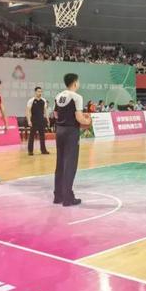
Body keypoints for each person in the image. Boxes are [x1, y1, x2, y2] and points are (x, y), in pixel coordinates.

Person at [53, 73, 92, 206]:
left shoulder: (58, 96)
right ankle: (68, 198)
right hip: (71, 132)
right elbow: (79, 118)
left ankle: (58, 196)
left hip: (59, 130)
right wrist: (88, 121)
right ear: (75, 83)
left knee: (60, 163)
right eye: (78, 81)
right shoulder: (77, 97)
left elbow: (56, 114)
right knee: (70, 164)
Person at [26, 86, 50, 156]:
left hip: (41, 120)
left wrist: (47, 119)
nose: (40, 93)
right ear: (35, 92)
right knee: (32, 136)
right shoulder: (31, 100)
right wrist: (29, 121)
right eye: (38, 91)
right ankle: (30, 151)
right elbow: (27, 111)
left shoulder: (43, 100)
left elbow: (45, 111)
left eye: (41, 91)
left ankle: (43, 150)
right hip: (34, 120)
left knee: (42, 136)